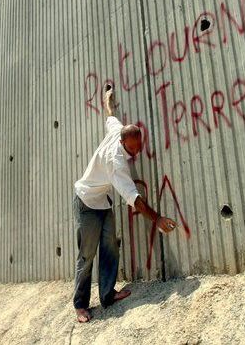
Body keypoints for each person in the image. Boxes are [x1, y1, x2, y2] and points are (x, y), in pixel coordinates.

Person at [72, 84, 178, 323]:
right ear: (122, 144)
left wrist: (107, 98)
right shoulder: (116, 162)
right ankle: (80, 304)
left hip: (103, 202)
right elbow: (134, 199)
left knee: (110, 246)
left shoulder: (117, 130)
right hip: (86, 201)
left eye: (139, 145)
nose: (137, 150)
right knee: (87, 254)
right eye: (132, 148)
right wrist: (158, 218)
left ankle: (108, 294)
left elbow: (110, 116)